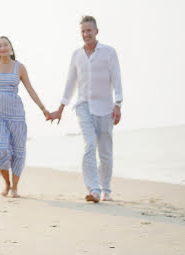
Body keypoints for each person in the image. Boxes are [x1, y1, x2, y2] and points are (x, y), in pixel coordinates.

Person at [48, 16, 123, 203]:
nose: (86, 34)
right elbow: (70, 83)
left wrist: (118, 104)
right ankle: (94, 190)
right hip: (84, 105)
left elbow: (117, 78)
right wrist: (61, 108)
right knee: (89, 145)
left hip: (106, 107)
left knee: (105, 151)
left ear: (96, 31)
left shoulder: (108, 52)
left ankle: (106, 189)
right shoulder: (77, 55)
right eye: (83, 31)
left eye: (89, 30)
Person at [0, 36, 50, 198]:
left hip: (16, 113)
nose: (3, 48)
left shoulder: (19, 67)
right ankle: (6, 183)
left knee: (18, 150)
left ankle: (14, 188)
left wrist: (43, 109)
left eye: (5, 45)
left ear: (11, 47)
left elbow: (30, 89)